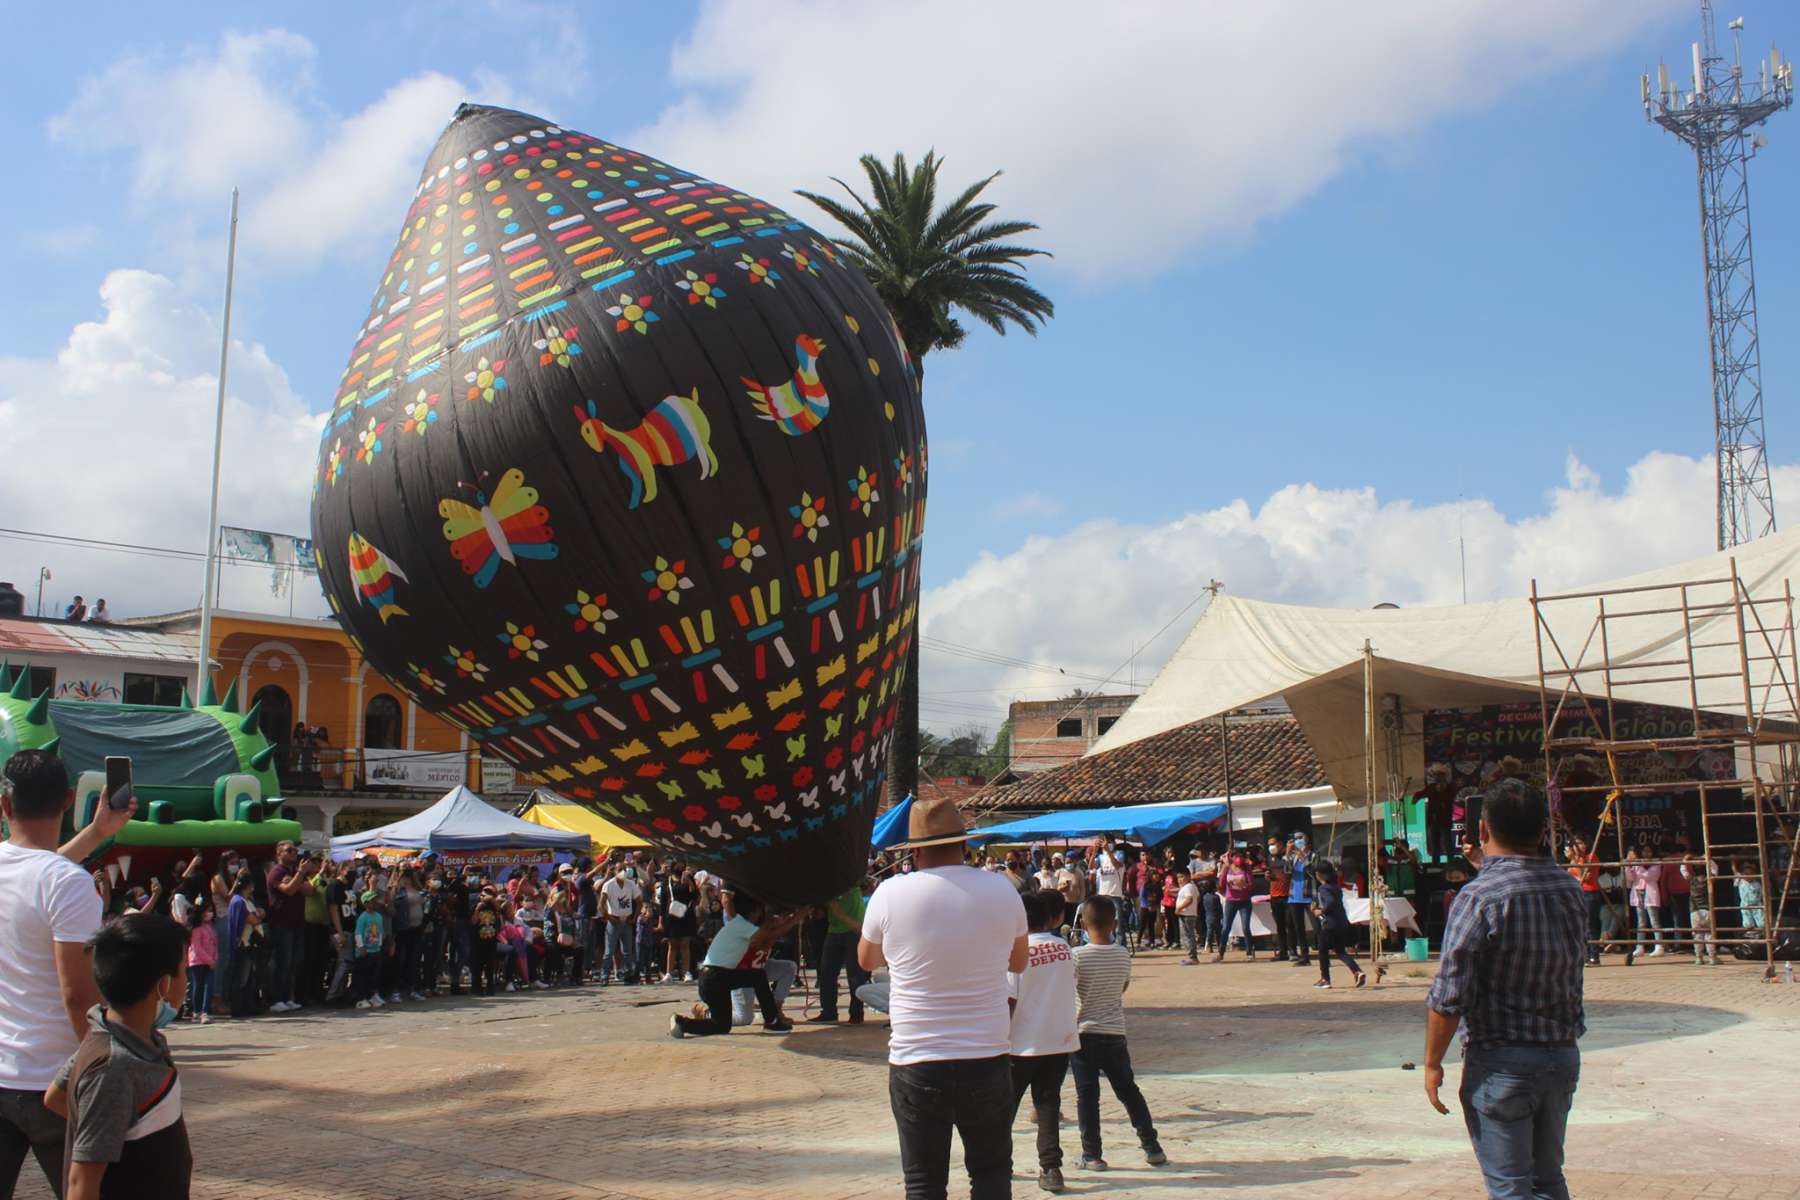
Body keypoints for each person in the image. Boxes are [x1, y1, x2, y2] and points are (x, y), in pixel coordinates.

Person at [857, 795, 1029, 1200]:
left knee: (924, 1183)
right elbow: (1018, 963)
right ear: (965, 845)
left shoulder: (889, 893)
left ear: (914, 851)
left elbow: (867, 960)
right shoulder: (1000, 889)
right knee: (990, 1176)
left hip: (916, 1058)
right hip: (986, 1056)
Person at [1424, 778, 1585, 1200]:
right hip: (1561, 1054)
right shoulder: (1569, 889)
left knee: (1510, 1187)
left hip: (1502, 1062)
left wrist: (1432, 1062)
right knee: (1548, 1180)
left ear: (1482, 829)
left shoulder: (1477, 898)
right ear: (1543, 830)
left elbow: (1450, 994)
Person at [1, 750, 126, 1197]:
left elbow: (39, 870)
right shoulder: (68, 883)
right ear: (69, 799)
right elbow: (78, 996)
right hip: (53, 1083)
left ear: (4, 805)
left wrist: (95, 834)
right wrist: (103, 1071)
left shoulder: (47, 876)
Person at [43, 913, 191, 1200]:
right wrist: (105, 1127)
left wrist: (114, 1130)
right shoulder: (114, 1068)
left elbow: (56, 1097)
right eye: (184, 971)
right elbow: (80, 1186)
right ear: (163, 985)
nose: (186, 982)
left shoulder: (120, 1036)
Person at [1069, 898, 1166, 1172]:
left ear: (1083, 925)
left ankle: (1092, 1154)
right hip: (1114, 1033)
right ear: (1114, 924)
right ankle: (1152, 1146)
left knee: (1087, 1097)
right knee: (1129, 1091)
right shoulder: (1122, 954)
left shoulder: (1077, 956)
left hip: (1084, 1033)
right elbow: (1121, 987)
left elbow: (1069, 990)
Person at [1006, 890, 1079, 1194]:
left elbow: (1008, 1001)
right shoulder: (1064, 949)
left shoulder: (1015, 954)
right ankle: (1051, 1169)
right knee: (1048, 1106)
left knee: (1003, 1108)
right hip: (1058, 1042)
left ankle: (999, 1163)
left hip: (1020, 1043)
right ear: (1051, 917)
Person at [669, 894, 800, 1037]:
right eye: (758, 912)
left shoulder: (737, 924)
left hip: (712, 980)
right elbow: (768, 937)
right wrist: (797, 918)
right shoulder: (742, 926)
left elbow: (766, 940)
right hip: (716, 977)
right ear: (753, 912)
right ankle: (772, 1022)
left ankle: (681, 1023)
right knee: (758, 976)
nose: (759, 916)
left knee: (721, 1026)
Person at [263, 842, 315, 1012]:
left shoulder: (293, 872)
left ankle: (288, 997)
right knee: (282, 963)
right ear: (279, 853)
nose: (294, 853)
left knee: (294, 963)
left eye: (295, 850)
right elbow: (289, 890)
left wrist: (297, 879)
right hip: (281, 923)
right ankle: (277, 999)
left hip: (297, 923)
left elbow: (310, 890)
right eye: (289, 850)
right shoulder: (277, 872)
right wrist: (299, 875)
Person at [811, 881, 871, 1025]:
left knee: (855, 975)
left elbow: (868, 884)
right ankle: (828, 1012)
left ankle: (856, 1014)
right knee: (826, 974)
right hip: (834, 929)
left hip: (853, 929)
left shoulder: (853, 878)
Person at [1309, 860, 1365, 989]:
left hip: (1329, 924)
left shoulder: (1323, 888)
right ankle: (1357, 971)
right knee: (1340, 951)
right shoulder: (1336, 886)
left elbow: (1330, 902)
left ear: (1319, 875)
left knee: (1322, 951)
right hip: (1341, 922)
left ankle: (1325, 979)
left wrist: (1321, 911)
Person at [600, 861, 641, 984]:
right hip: (614, 921)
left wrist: (634, 918)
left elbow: (639, 901)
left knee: (627, 952)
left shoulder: (631, 884)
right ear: (614, 871)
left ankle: (628, 976)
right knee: (609, 951)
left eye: (624, 869)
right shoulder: (609, 885)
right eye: (619, 869)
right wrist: (608, 917)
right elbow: (600, 905)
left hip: (626, 920)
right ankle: (605, 976)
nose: (622, 872)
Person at [1565, 835, 1603, 966]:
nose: (1579, 846)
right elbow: (1570, 876)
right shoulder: (1576, 859)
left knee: (1591, 926)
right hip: (1577, 894)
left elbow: (1584, 878)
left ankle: (1594, 956)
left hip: (1590, 893)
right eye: (1576, 844)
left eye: (1581, 843)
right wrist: (1573, 860)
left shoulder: (1591, 857)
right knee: (1580, 926)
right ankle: (1585, 955)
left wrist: (1574, 860)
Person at [1215, 849, 1256, 961]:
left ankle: (1249, 953)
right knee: (1226, 927)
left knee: (1245, 927)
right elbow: (1221, 885)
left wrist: (1244, 886)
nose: (1238, 859)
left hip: (1244, 901)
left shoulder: (1246, 868)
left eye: (1240, 856)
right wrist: (1224, 868)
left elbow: (1251, 885)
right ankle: (1221, 953)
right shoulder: (1227, 868)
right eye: (1236, 856)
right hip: (1231, 901)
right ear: (1231, 857)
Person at [1286, 834, 1317, 968]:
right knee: (1299, 927)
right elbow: (1287, 871)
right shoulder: (1293, 858)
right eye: (1296, 839)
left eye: (1301, 839)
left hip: (1309, 895)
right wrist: (1288, 854)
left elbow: (1313, 872)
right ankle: (1304, 956)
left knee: (1317, 926)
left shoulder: (1314, 856)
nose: (1298, 842)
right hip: (1294, 896)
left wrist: (1303, 858)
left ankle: (1323, 951)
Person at [185, 899, 218, 1024]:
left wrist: (214, 958)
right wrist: (209, 960)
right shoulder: (196, 929)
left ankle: (206, 1012)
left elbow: (214, 944)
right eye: (208, 911)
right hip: (198, 962)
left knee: (209, 986)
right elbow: (197, 948)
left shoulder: (210, 927)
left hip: (210, 962)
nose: (210, 913)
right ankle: (197, 1012)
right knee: (198, 986)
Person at [352, 890, 386, 1010]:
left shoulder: (378, 916)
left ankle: (372, 996)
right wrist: (361, 947)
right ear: (366, 903)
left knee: (374, 975)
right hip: (365, 951)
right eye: (372, 900)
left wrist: (380, 945)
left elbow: (381, 931)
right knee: (363, 976)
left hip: (375, 950)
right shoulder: (363, 917)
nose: (375, 902)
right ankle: (361, 998)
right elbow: (358, 933)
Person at [1265, 837, 1294, 960]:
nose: (1271, 847)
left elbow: (1289, 870)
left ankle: (1293, 951)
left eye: (1273, 844)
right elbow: (1270, 872)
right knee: (1280, 925)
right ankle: (1283, 952)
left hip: (1288, 895)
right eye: (1269, 844)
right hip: (1275, 895)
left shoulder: (1289, 856)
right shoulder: (1270, 859)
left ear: (1280, 844)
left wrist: (1287, 853)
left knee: (1290, 924)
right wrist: (1268, 876)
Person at [1173, 870, 1200, 964]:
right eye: (1178, 878)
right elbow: (1197, 898)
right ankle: (1192, 956)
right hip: (1188, 913)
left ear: (1188, 877)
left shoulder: (1188, 887)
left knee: (1189, 935)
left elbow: (1190, 899)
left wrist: (1179, 908)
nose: (1179, 879)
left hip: (1187, 915)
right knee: (1188, 935)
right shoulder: (1190, 887)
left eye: (1182, 877)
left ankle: (1193, 957)